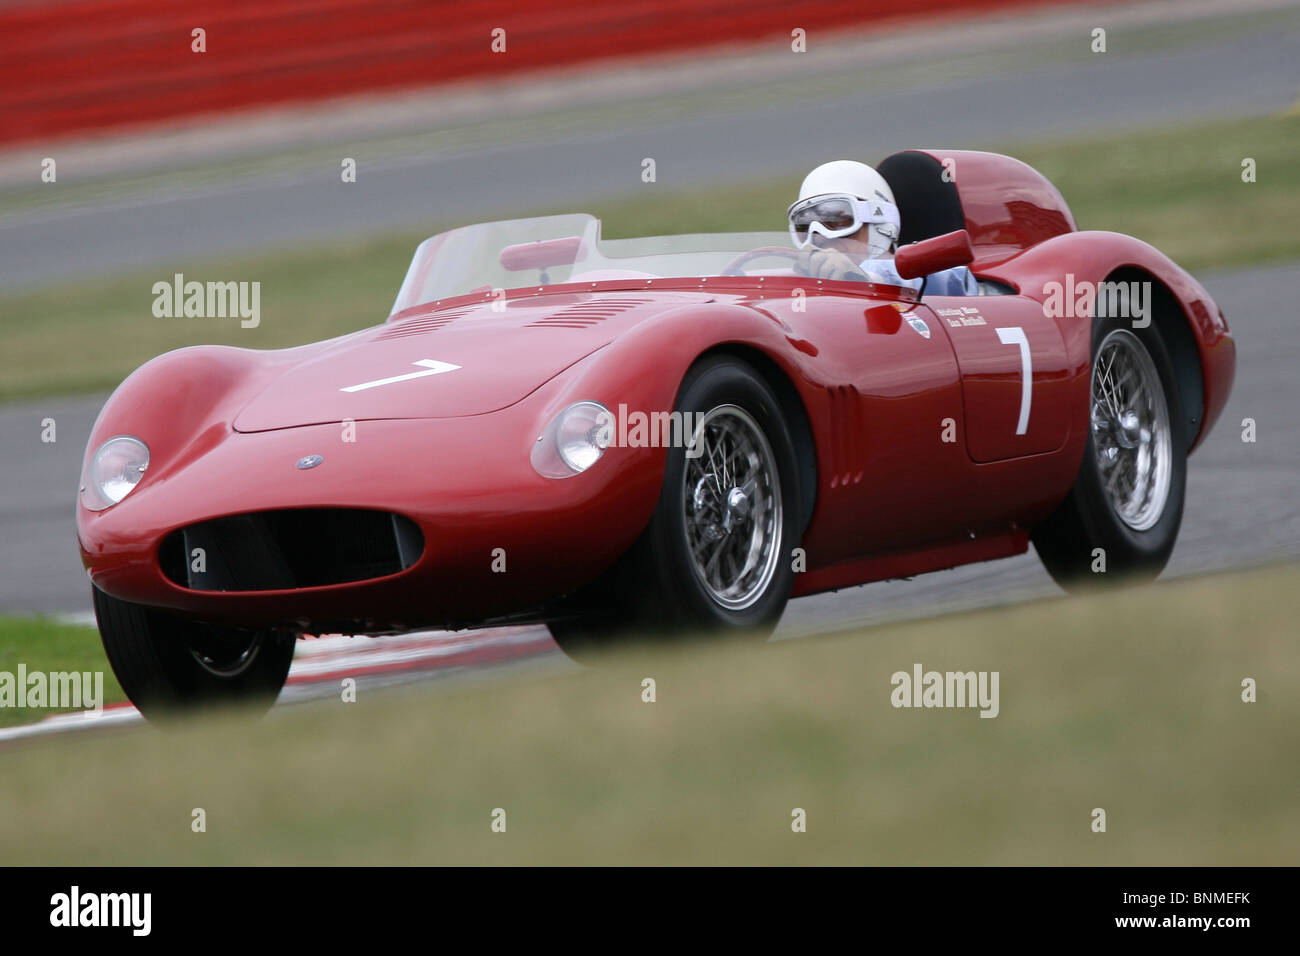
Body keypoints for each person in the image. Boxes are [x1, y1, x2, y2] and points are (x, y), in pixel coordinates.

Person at [788, 160, 977, 295]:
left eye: (837, 220)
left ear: (880, 225)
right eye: (804, 225)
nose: (819, 237)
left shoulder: (934, 278)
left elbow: (953, 281)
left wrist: (865, 278)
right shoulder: (803, 293)